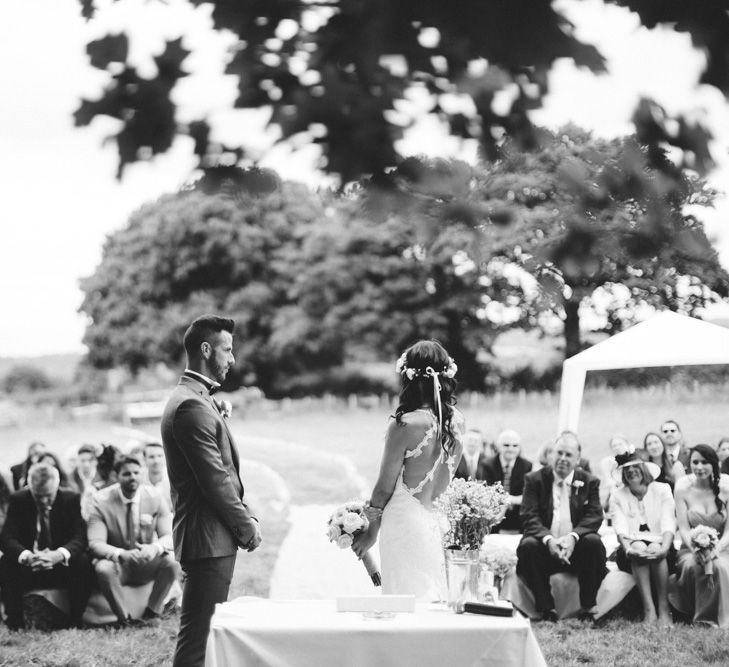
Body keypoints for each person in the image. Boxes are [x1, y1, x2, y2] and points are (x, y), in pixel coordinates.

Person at [161, 315, 261, 667]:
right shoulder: (190, 405)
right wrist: (246, 525)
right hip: (206, 539)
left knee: (204, 639)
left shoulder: (196, 398)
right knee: (197, 644)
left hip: (209, 539)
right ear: (206, 349)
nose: (232, 359)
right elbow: (215, 479)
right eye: (227, 349)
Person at [351, 340, 465, 601]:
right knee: (432, 599)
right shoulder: (458, 422)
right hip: (436, 523)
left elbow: (382, 489)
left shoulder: (404, 425)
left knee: (403, 603)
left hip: (403, 525)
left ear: (408, 377)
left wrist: (370, 532)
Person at [516, 432, 606, 622]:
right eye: (559, 453)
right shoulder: (534, 480)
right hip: (544, 548)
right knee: (528, 545)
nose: (563, 459)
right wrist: (549, 540)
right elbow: (528, 515)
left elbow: (594, 516)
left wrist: (573, 537)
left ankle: (588, 607)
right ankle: (546, 609)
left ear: (578, 459)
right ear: (551, 454)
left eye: (568, 455)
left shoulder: (590, 482)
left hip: (576, 550)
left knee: (594, 542)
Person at [87, 455, 180, 625]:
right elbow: (95, 543)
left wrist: (155, 548)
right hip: (119, 563)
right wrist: (121, 554)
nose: (133, 478)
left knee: (172, 562)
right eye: (127, 474)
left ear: (142, 473)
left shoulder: (155, 497)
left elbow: (170, 535)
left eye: (136, 473)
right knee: (103, 568)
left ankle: (152, 612)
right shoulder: (101, 500)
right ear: (116, 476)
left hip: (145, 560)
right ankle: (125, 619)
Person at [0, 463, 92, 630]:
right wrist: (26, 556)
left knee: (83, 562)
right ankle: (15, 621)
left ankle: (76, 619)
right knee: (6, 562)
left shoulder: (71, 499)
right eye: (38, 495)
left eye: (48, 496)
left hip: (60, 566)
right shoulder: (18, 499)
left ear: (57, 487)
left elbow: (79, 538)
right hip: (30, 565)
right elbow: (7, 538)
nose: (43, 501)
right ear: (30, 487)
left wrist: (58, 555)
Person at [609, 452, 675, 627]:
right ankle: (649, 609)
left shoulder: (662, 489)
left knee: (654, 546)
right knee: (638, 545)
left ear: (644, 469)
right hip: (630, 551)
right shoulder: (617, 495)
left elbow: (669, 522)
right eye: (626, 469)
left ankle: (663, 608)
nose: (631, 471)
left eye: (635, 466)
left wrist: (664, 548)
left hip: (663, 548)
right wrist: (628, 549)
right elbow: (620, 527)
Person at [669, 444, 729, 627]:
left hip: (724, 547)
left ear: (714, 463)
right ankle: (699, 615)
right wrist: (697, 548)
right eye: (695, 462)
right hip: (690, 548)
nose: (700, 467)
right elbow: (683, 528)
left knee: (719, 566)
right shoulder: (682, 487)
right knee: (693, 566)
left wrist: (715, 549)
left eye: (705, 462)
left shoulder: (726, 485)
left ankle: (718, 618)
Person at [482, 429, 533, 533]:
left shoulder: (527, 466)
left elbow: (527, 495)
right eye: (506, 445)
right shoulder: (487, 465)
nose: (511, 449)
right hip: (494, 516)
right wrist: (505, 501)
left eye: (515, 446)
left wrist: (509, 499)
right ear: (499, 446)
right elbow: (487, 492)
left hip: (518, 516)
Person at [142, 441, 172, 511]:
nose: (156, 461)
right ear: (144, 459)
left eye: (160, 456)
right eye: (151, 457)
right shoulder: (138, 478)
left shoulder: (173, 478)